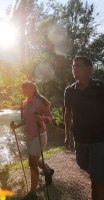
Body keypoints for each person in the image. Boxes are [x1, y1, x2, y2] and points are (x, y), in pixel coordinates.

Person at [64, 56, 104, 200]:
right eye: (73, 66)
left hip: (99, 138)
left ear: (89, 69)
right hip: (80, 138)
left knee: (97, 181)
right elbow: (67, 112)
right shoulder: (69, 91)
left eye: (78, 66)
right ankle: (98, 175)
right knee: (82, 164)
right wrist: (67, 135)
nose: (74, 68)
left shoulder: (100, 87)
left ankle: (98, 182)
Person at [10, 80, 54, 197]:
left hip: (39, 135)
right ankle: (48, 171)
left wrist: (42, 119)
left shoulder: (40, 101)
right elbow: (25, 120)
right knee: (35, 159)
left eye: (27, 88)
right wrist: (16, 126)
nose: (24, 90)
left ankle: (32, 192)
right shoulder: (24, 103)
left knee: (32, 163)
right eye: (23, 88)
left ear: (33, 89)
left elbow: (50, 117)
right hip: (29, 136)